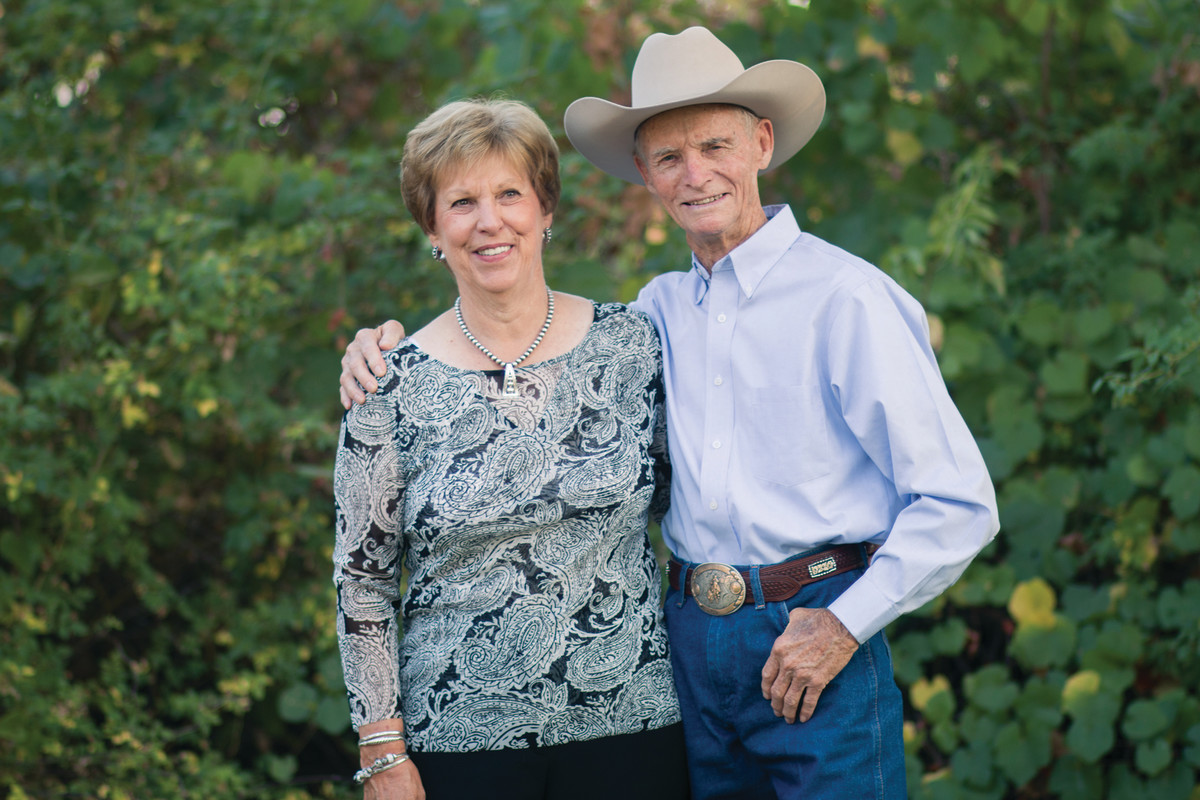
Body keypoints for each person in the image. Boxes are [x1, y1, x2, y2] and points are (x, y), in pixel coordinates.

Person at [341, 28, 1000, 800]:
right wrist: (382, 345)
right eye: (668, 158)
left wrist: (846, 624)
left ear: (761, 143)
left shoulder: (846, 298)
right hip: (686, 653)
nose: (696, 174)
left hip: (814, 628)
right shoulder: (650, 320)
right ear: (645, 177)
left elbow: (959, 504)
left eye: (715, 145)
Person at [332, 97, 687, 800]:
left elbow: (697, 500)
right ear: (432, 227)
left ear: (546, 211)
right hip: (459, 746)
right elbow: (362, 581)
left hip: (635, 726)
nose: (489, 221)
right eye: (462, 201)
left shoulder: (634, 346)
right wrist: (381, 751)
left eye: (509, 195)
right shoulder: (387, 384)